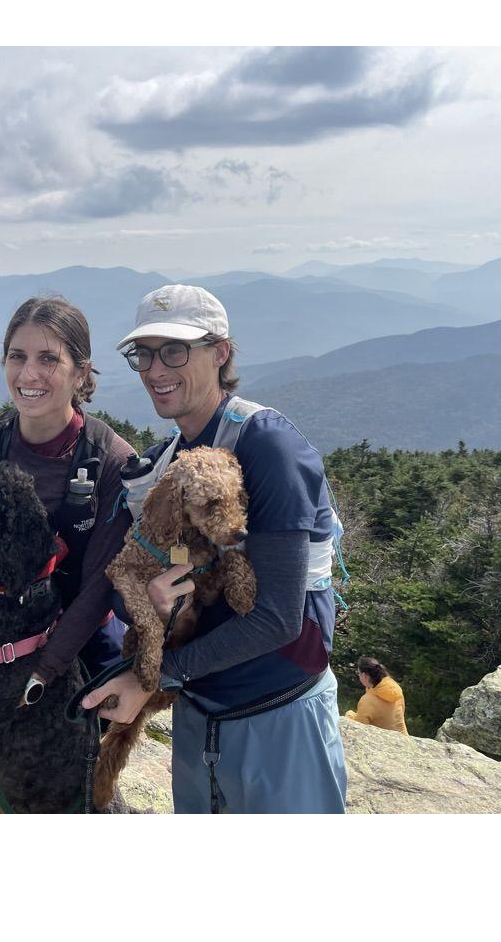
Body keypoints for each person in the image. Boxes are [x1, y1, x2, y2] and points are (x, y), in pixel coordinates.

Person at [82, 283, 347, 814]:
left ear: (221, 352)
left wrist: (153, 675)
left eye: (174, 351)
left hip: (278, 713)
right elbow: (132, 576)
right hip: (201, 713)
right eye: (144, 354)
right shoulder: (171, 462)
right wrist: (155, 604)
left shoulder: (267, 447)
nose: (155, 370)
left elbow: (277, 619)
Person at [0, 296, 135, 813]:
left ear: (81, 372)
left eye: (49, 358)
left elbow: (98, 588)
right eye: (16, 356)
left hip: (74, 653)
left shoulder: (111, 461)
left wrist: (40, 675)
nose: (29, 372)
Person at [346, 657, 408, 734]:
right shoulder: (396, 688)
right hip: (403, 737)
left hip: (383, 741)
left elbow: (360, 730)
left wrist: (349, 717)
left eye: (358, 673)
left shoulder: (367, 700)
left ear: (364, 676)